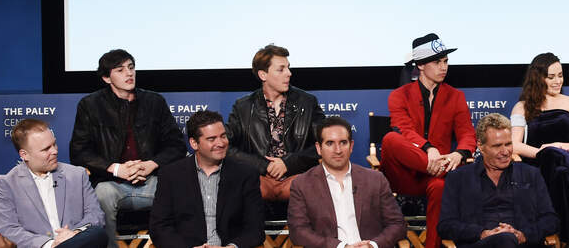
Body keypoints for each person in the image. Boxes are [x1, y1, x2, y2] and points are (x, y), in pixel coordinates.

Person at [69, 49, 186, 244]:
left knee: (184, 189)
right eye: (120, 70)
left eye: (131, 68)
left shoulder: (154, 101)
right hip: (111, 183)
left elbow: (176, 145)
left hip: (152, 180)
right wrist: (117, 169)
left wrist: (150, 164)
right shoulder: (90, 105)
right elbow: (79, 152)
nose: (129, 73)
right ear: (107, 78)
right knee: (102, 194)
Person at [380, 34, 477, 248]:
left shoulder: (456, 96)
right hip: (404, 175)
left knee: (440, 187)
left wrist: (458, 154)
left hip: (435, 177)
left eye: (446, 61)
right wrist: (428, 148)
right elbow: (403, 129)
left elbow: (467, 134)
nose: (444, 67)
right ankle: (446, 171)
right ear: (421, 65)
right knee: (390, 139)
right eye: (437, 62)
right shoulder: (398, 95)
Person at [438, 114, 559, 248]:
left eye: (508, 144)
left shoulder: (531, 174)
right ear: (481, 146)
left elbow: (550, 220)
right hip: (479, 244)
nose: (505, 151)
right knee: (505, 239)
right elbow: (446, 225)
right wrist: (482, 233)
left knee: (507, 239)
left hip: (522, 244)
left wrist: (523, 235)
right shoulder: (458, 178)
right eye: (497, 146)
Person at [509, 52, 569, 246]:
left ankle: (553, 236)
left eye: (560, 75)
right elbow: (514, 144)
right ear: (538, 78)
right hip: (541, 168)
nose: (558, 81)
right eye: (551, 77)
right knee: (559, 172)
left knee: (557, 162)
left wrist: (557, 147)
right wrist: (543, 152)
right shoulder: (521, 107)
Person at [149, 110, 264, 248]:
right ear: (194, 143)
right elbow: (159, 227)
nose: (221, 143)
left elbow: (255, 229)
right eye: (211, 139)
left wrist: (231, 247)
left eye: (223, 136)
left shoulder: (246, 174)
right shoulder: (171, 175)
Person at [288, 116, 407, 248]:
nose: (338, 150)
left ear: (351, 146)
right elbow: (298, 232)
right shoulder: (302, 184)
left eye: (343, 143)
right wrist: (340, 247)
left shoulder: (376, 179)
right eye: (330, 143)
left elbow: (397, 224)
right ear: (319, 148)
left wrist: (373, 245)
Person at [226, 43, 326, 200]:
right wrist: (262, 165)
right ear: (263, 75)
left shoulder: (307, 102)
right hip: (259, 180)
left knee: (302, 187)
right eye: (281, 69)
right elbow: (225, 146)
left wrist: (289, 163)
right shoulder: (243, 107)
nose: (289, 73)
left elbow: (325, 144)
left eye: (288, 67)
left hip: (297, 178)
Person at [0, 119, 108, 248]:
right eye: (46, 149)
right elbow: (7, 229)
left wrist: (75, 234)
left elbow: (96, 215)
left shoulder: (77, 175)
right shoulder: (6, 184)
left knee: (98, 234)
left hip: (77, 243)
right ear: (25, 155)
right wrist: (50, 244)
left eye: (54, 144)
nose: (54, 151)